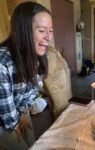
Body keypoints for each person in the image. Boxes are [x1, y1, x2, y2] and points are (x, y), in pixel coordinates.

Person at [0, 1, 53, 150]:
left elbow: (35, 88)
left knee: (33, 143)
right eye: (42, 31)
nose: (48, 37)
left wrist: (24, 111)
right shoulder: (2, 63)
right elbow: (5, 110)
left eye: (51, 30)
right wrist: (15, 123)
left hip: (19, 109)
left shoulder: (42, 56)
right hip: (3, 118)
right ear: (23, 31)